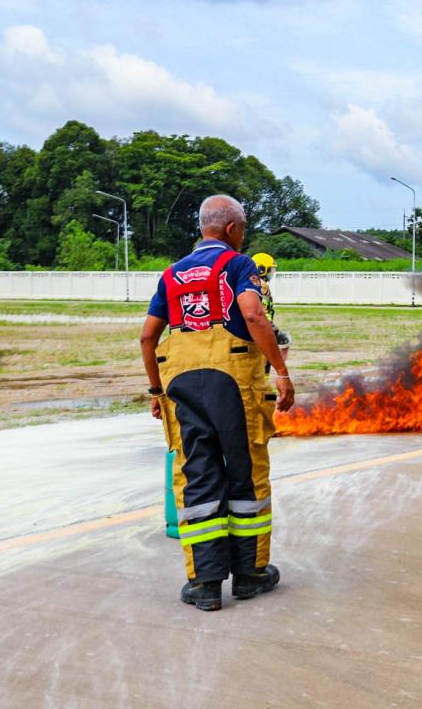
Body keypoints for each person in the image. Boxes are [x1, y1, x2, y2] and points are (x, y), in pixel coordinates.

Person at [139, 195, 295, 611]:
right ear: (231, 229)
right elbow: (253, 315)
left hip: (181, 384)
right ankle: (250, 575)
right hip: (233, 382)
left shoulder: (171, 274)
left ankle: (204, 584)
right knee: (246, 475)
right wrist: (281, 372)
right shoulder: (238, 265)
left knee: (197, 476)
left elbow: (148, 336)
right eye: (242, 228)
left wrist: (156, 392)